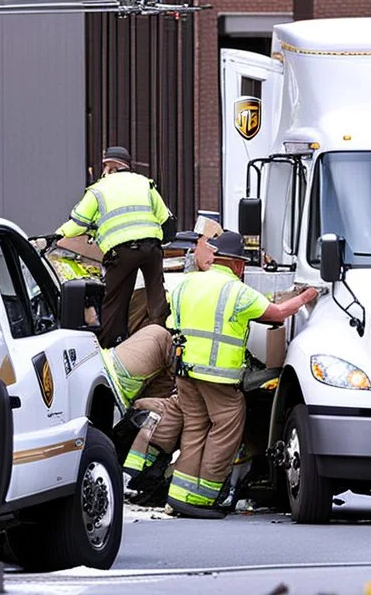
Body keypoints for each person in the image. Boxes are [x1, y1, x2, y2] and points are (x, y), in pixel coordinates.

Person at [163, 230, 318, 519]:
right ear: (237, 264)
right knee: (226, 427)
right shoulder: (236, 290)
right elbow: (277, 313)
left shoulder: (187, 283)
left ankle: (181, 495)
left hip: (184, 370)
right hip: (218, 376)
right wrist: (307, 295)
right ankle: (205, 499)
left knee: (195, 428)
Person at [51, 145, 173, 348]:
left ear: (109, 166)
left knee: (114, 301)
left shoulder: (99, 189)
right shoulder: (144, 183)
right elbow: (166, 219)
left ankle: (109, 346)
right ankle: (162, 342)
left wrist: (55, 236)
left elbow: (77, 224)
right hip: (151, 248)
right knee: (156, 297)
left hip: (122, 252)